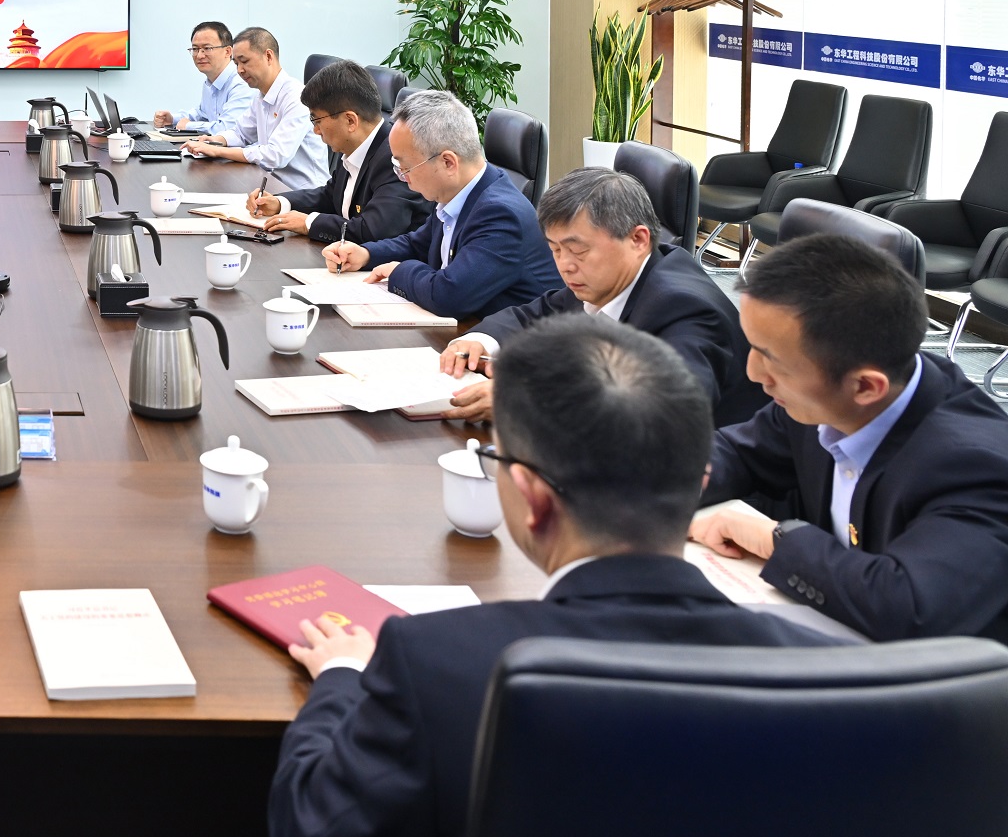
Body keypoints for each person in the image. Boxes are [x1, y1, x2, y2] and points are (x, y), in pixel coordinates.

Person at [247, 318, 842, 837]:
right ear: (699, 481)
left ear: (531, 498)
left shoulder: (438, 663)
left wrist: (340, 680)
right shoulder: (827, 675)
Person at [690, 234, 1008, 642]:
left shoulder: (977, 469)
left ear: (865, 387)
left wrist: (777, 541)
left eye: (772, 360)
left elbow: (909, 606)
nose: (753, 373)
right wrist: (664, 481)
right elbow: (740, 452)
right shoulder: (826, 393)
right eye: (754, 347)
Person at [439, 167, 765, 426]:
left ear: (638, 239)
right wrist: (480, 340)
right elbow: (535, 314)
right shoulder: (606, 279)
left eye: (578, 250)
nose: (565, 265)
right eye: (555, 250)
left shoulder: (684, 309)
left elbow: (664, 412)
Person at [320, 92, 560, 321]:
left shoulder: (500, 215)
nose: (402, 177)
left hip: (512, 343)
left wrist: (399, 271)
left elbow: (449, 296)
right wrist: (366, 254)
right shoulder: (458, 193)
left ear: (448, 162)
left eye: (405, 167)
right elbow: (418, 244)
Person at [244, 59, 426, 245]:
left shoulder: (395, 157)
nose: (315, 130)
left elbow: (373, 230)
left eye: (317, 121)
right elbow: (331, 195)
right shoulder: (355, 146)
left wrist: (309, 223)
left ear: (350, 121)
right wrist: (281, 203)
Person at [181, 27, 329, 192]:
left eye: (244, 61)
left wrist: (218, 151)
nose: (239, 70)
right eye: (236, 63)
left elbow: (275, 155)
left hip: (304, 193)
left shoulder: (296, 96)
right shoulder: (261, 96)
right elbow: (240, 133)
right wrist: (214, 140)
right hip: (271, 186)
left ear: (268, 56)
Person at [153, 21, 254, 135]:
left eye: (207, 48)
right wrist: (172, 119)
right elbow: (202, 114)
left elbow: (229, 129)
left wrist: (188, 126)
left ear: (227, 51)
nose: (200, 55)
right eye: (195, 49)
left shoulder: (241, 83)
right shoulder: (211, 81)